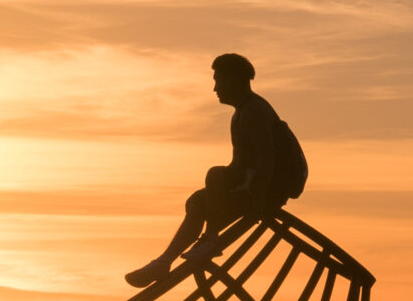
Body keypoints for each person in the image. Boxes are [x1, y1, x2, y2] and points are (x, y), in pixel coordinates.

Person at [125, 53, 308, 287]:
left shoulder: (255, 110)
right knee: (198, 202)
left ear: (232, 80)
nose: (215, 89)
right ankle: (163, 262)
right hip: (252, 186)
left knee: (214, 175)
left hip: (267, 188)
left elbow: (267, 157)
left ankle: (211, 239)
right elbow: (239, 165)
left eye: (218, 80)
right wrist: (217, 194)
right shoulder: (242, 111)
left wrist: (260, 201)